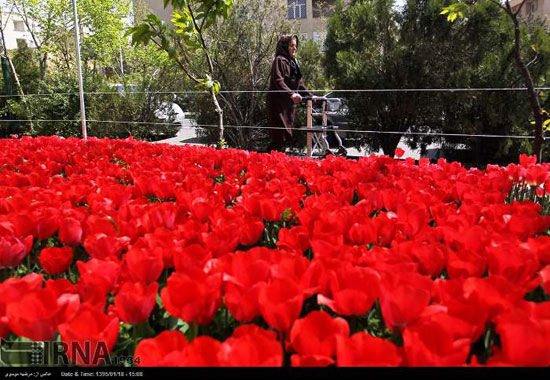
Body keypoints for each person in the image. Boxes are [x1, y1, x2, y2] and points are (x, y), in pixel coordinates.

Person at [266, 34, 319, 153]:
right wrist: (291, 94)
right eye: (291, 46)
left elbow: (300, 84)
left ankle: (272, 163)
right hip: (277, 105)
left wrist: (311, 96)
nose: (294, 48)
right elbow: (278, 80)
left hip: (287, 106)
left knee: (285, 137)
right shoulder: (279, 60)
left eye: (295, 46)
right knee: (279, 137)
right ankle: (267, 164)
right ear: (284, 47)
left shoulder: (293, 63)